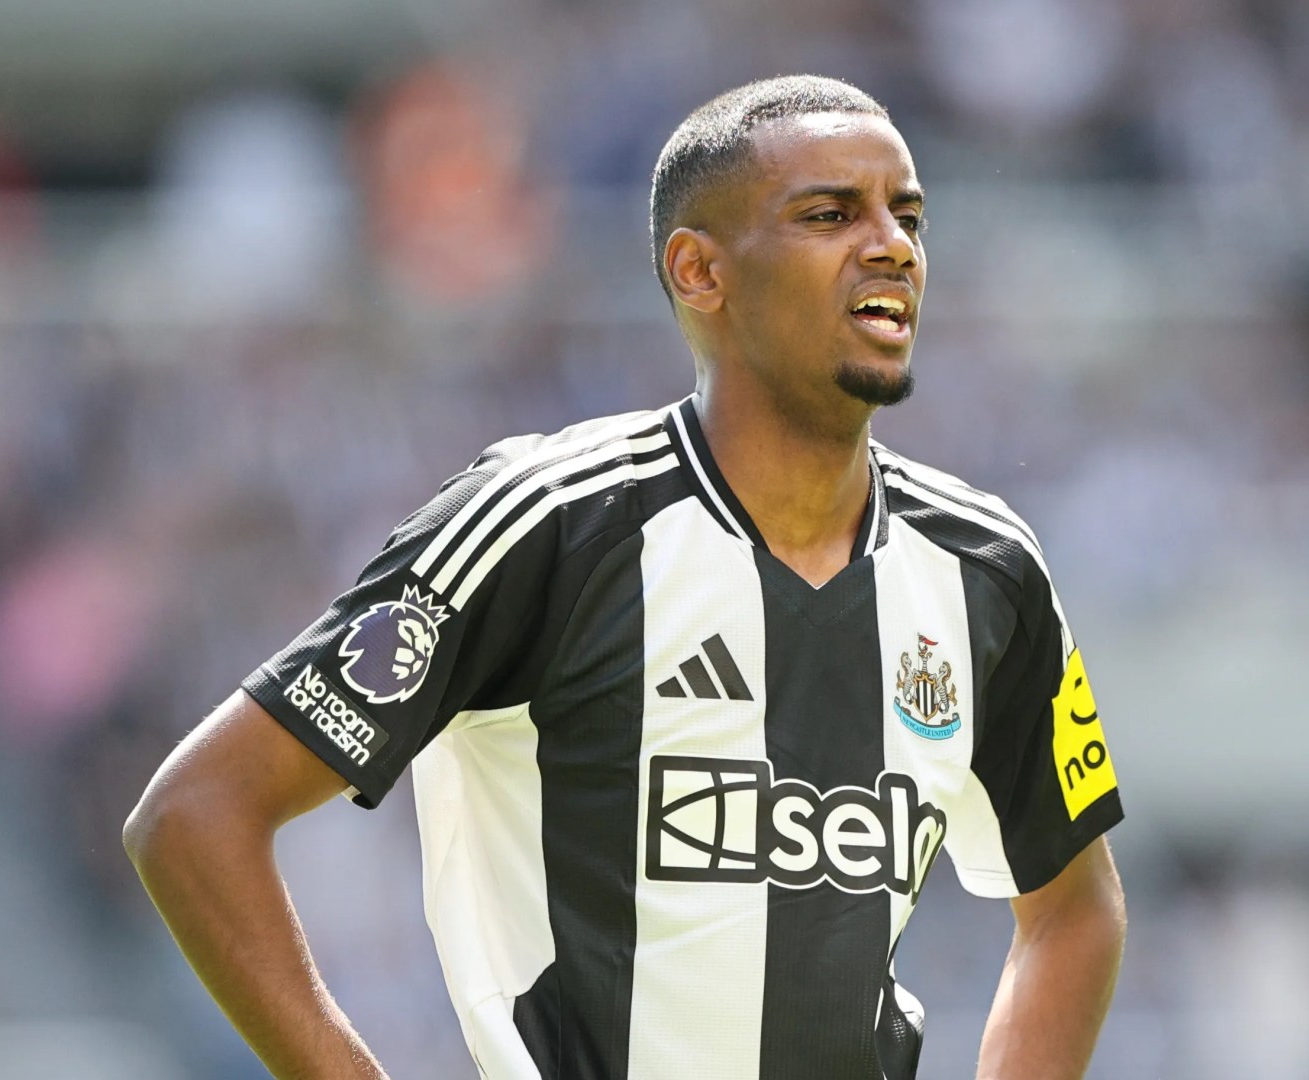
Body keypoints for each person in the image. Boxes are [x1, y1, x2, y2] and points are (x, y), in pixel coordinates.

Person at [124, 74, 1127, 1080]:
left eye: (907, 216)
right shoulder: (550, 525)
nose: (892, 246)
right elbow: (195, 814)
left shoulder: (986, 568)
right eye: (830, 215)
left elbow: (1075, 910)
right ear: (700, 271)